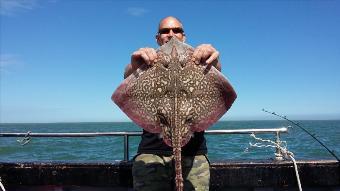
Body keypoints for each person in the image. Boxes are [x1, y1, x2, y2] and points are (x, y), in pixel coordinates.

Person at [124, 16, 221, 191]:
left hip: (194, 153)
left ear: (184, 36)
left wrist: (213, 60)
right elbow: (127, 78)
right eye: (165, 31)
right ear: (157, 38)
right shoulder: (147, 62)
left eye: (176, 30)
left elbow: (217, 75)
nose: (171, 34)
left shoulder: (196, 61)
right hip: (151, 153)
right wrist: (134, 64)